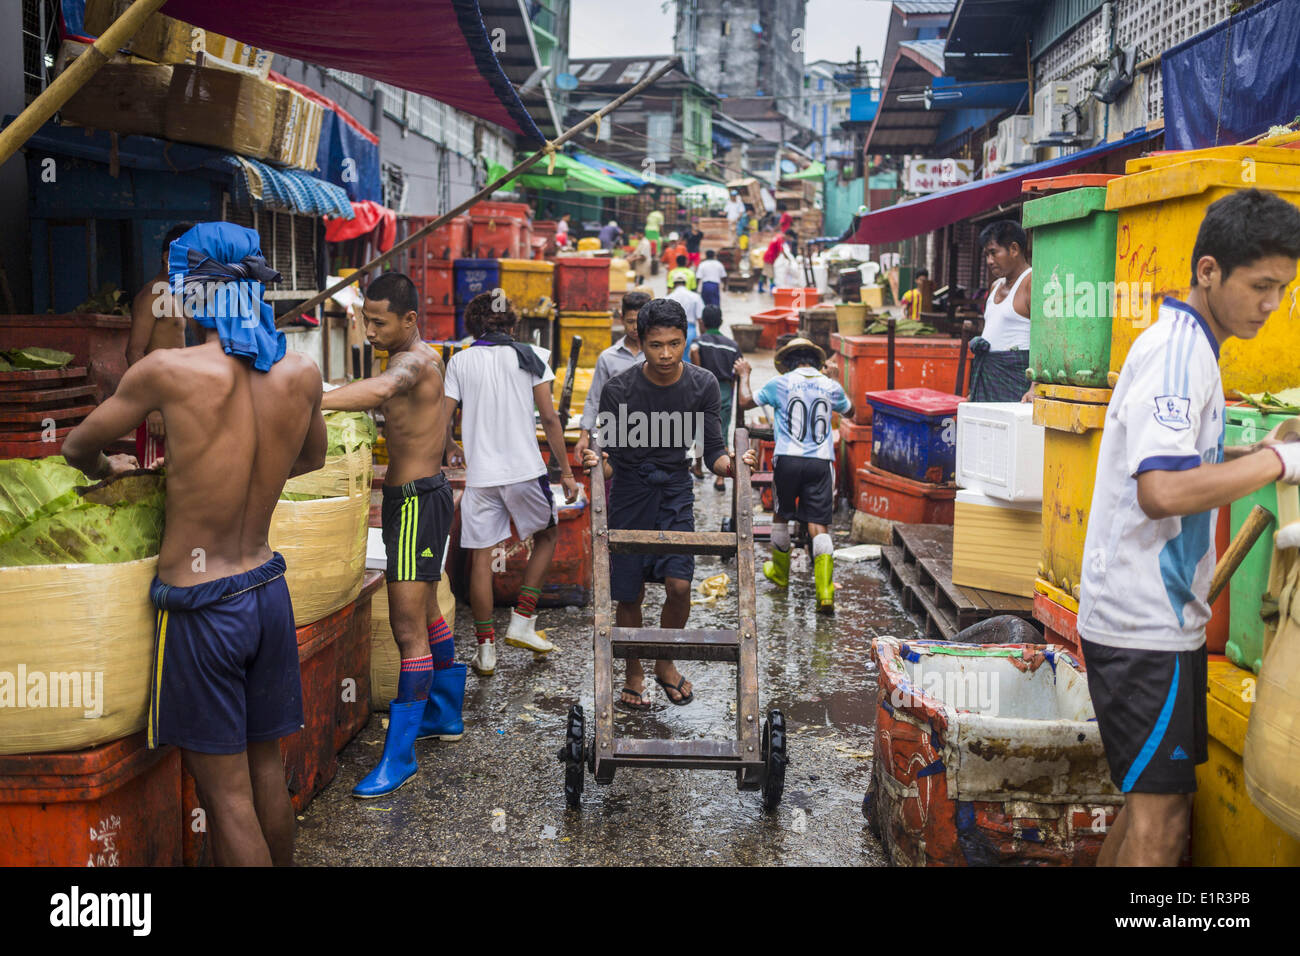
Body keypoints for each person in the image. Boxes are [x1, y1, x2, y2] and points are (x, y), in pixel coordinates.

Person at [62, 222, 325, 866]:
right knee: (266, 769)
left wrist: (114, 472)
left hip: (202, 604)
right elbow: (310, 460)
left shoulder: (167, 372)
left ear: (191, 290)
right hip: (266, 588)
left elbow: (77, 447)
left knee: (225, 793)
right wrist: (247, 477)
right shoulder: (301, 372)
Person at [1077, 188, 1300, 867]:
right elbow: (1163, 490)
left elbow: (1177, 461)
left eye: (1284, 288)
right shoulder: (1179, 356)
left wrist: (1254, 450)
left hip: (1151, 621)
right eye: (1260, 285)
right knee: (1165, 823)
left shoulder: (1192, 346)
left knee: (1148, 806)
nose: (1271, 304)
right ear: (1209, 271)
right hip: (1143, 626)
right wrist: (1277, 460)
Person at [318, 272, 460, 799]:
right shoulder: (413, 355)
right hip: (419, 497)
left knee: (407, 631)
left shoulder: (415, 361)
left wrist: (311, 397)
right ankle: (444, 715)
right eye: (364, 319)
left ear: (409, 320)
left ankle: (399, 757)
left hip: (418, 501)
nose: (369, 330)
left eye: (378, 321)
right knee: (424, 611)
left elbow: (381, 388)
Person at [582, 298, 758, 709]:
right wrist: (595, 463)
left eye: (675, 344)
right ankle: (633, 672)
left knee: (679, 586)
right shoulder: (619, 389)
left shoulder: (702, 384)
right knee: (630, 595)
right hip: (628, 493)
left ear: (686, 340)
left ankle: (664, 659)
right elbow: (607, 463)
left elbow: (713, 451)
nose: (665, 354)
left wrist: (734, 466)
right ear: (639, 341)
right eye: (656, 344)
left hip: (676, 491)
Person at [443, 292, 578, 676]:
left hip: (481, 477)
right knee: (548, 535)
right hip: (524, 471)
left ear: (473, 326)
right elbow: (550, 419)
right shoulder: (531, 356)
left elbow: (444, 417)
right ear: (512, 325)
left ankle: (485, 650)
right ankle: (522, 620)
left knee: (480, 558)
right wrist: (565, 472)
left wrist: (449, 445)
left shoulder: (460, 360)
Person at [736, 337, 852, 613]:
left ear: (787, 362)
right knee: (818, 524)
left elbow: (744, 402)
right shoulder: (829, 385)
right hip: (820, 462)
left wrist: (744, 375)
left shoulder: (781, 383)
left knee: (781, 514)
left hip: (788, 458)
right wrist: (835, 380)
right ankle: (824, 591)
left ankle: (779, 573)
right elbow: (851, 411)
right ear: (816, 361)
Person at [125, 222, 195, 468]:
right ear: (168, 258)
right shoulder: (151, 296)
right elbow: (133, 351)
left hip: (176, 400)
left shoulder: (177, 294)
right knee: (154, 481)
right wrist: (152, 407)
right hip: (157, 404)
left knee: (177, 477)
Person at [574, 291, 651, 463]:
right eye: (630, 321)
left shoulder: (658, 355)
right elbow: (594, 399)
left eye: (639, 322)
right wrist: (584, 433)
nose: (635, 327)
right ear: (621, 318)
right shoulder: (608, 358)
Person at [970, 220, 1032, 402]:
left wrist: (1035, 387)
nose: (989, 261)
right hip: (988, 378)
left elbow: (1045, 339)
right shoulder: (995, 285)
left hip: (1017, 383)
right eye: (986, 255)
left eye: (994, 253)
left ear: (1014, 249)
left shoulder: (1031, 282)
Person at [690, 304, 742, 490]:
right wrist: (732, 389)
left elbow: (694, 352)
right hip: (725, 390)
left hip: (702, 388)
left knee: (698, 430)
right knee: (722, 432)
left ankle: (697, 468)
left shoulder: (700, 341)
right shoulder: (732, 345)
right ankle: (720, 478)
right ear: (721, 322)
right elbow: (738, 370)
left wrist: (701, 373)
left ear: (702, 322)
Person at [667, 273, 703, 361]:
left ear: (673, 284)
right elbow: (700, 319)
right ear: (686, 283)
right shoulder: (695, 297)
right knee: (690, 362)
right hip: (691, 331)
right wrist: (703, 337)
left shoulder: (668, 298)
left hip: (672, 332)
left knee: (675, 360)